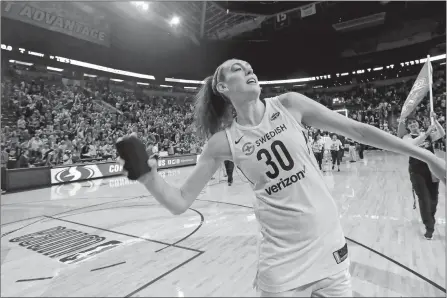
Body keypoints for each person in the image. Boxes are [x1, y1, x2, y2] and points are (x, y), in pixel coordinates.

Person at [116, 59, 446, 297]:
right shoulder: (222, 143)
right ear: (221, 87)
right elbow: (180, 201)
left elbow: (358, 131)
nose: (249, 71)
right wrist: (147, 176)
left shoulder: (290, 104)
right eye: (237, 70)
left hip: (331, 253)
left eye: (250, 68)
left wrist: (427, 155)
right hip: (284, 266)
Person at [399, 113, 445, 240]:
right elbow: (412, 145)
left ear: (418, 123)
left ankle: (430, 218)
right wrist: (425, 133)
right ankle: (429, 227)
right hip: (416, 171)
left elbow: (441, 134)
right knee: (424, 199)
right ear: (408, 127)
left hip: (432, 169)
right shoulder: (406, 138)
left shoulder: (428, 134)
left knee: (433, 199)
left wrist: (436, 121)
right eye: (410, 124)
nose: (413, 125)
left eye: (414, 122)